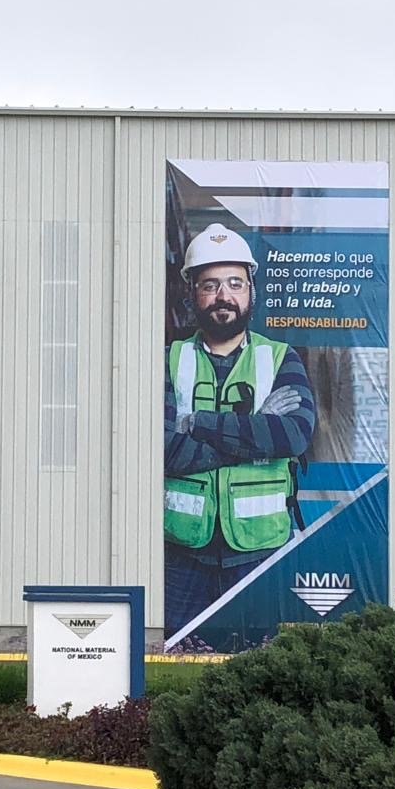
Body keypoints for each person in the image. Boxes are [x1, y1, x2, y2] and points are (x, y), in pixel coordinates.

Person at [164, 223, 316, 638]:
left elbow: (293, 436)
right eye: (210, 285)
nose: (223, 295)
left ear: (252, 291)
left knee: (259, 661)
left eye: (235, 283)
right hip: (180, 555)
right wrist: (256, 432)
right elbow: (162, 449)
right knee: (176, 658)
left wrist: (198, 423)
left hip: (261, 552)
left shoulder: (280, 358)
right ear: (192, 293)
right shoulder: (168, 359)